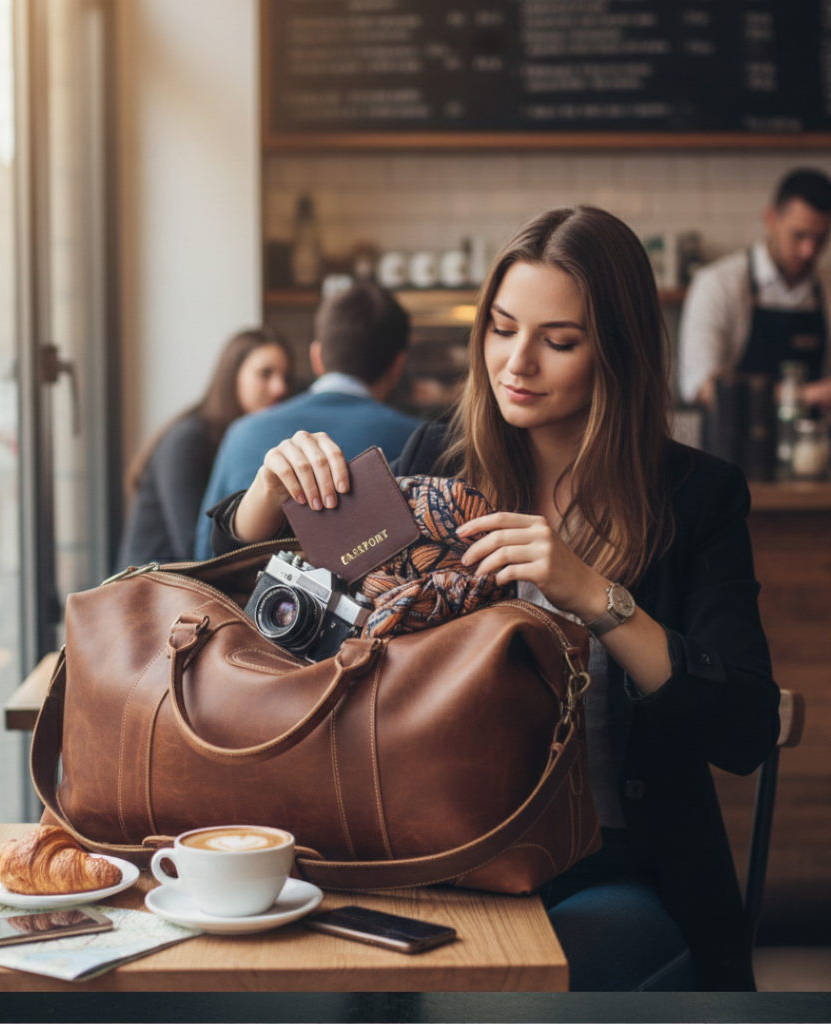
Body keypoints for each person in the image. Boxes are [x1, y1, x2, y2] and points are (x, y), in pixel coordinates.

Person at [209, 206, 781, 992]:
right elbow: (275, 619)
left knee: (535, 974)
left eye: (559, 341)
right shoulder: (434, 457)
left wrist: (592, 594)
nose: (518, 362)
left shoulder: (696, 497)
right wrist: (267, 500)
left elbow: (744, 727)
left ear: (618, 354)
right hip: (424, 848)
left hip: (604, 862)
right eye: (503, 328)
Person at [192, 282, 421, 560]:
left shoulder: (243, 432)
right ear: (397, 365)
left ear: (317, 357)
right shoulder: (418, 440)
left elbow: (205, 556)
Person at [114, 327, 291, 570]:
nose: (280, 388)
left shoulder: (240, 440)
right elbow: (196, 550)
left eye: (285, 377)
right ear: (233, 376)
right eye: (265, 374)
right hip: (150, 596)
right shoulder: (187, 441)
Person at [679, 167, 831, 409]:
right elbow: (701, 385)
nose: (809, 251)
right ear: (770, 219)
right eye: (799, 235)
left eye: (820, 239)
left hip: (810, 444)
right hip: (730, 444)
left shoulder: (826, 288)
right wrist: (802, 396)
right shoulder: (718, 284)